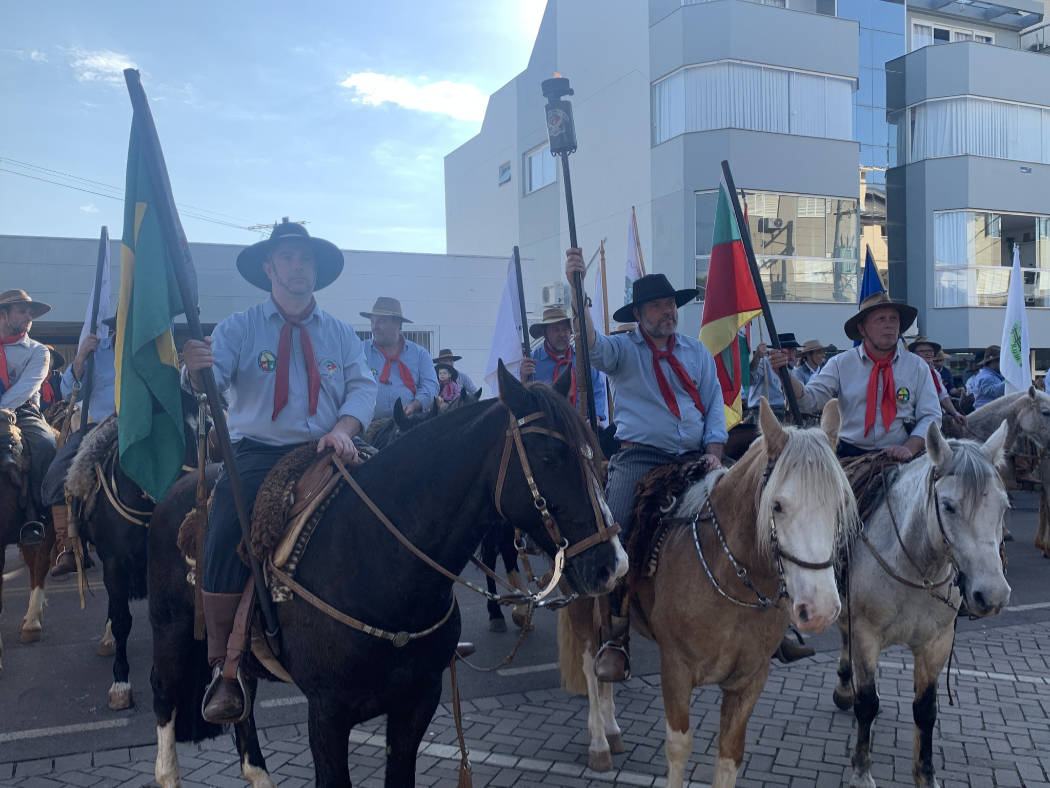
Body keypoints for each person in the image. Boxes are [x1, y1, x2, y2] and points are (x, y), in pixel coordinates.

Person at [182, 220, 377, 724]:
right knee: (226, 527)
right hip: (259, 453)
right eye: (288, 257)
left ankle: (410, 628)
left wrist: (344, 429)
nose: (298, 266)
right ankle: (225, 666)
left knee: (393, 505)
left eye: (305, 258)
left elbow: (362, 388)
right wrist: (197, 369)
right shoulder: (240, 326)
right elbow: (212, 378)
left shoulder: (340, 333)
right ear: (269, 268)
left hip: (330, 448)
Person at [565, 249, 726, 682]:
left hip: (697, 457)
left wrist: (714, 449)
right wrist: (578, 295)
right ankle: (616, 633)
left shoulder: (696, 352)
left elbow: (714, 405)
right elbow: (591, 346)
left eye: (670, 304)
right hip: (641, 457)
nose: (667, 311)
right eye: (657, 306)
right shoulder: (622, 350)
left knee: (749, 508)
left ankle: (760, 610)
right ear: (638, 314)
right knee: (614, 533)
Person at [771, 292, 940, 461]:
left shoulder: (917, 366)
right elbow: (808, 401)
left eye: (893, 319)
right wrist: (785, 375)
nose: (889, 325)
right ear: (862, 329)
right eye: (881, 319)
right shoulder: (840, 364)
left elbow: (930, 415)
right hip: (847, 455)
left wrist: (909, 448)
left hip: (902, 456)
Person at [43, 318, 117, 577]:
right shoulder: (97, 350)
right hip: (98, 425)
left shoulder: (149, 348)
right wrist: (81, 358)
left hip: (140, 424)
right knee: (56, 475)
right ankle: (71, 546)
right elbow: (70, 393)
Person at [0, 290, 57, 542]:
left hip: (22, 410)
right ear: (4, 314)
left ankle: (38, 516)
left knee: (46, 444)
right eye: (22, 311)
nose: (28, 317)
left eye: (31, 313)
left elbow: (26, 387)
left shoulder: (38, 351)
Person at [519, 306, 609, 426]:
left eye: (565, 329)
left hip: (580, 426)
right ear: (545, 333)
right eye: (556, 330)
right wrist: (523, 379)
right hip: (547, 428)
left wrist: (595, 417)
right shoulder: (532, 362)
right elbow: (524, 399)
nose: (562, 334)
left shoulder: (583, 359)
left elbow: (597, 388)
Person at [361, 297, 438, 420]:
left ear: (398, 324)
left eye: (382, 321)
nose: (375, 326)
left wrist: (414, 405)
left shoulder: (420, 354)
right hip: (366, 425)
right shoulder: (360, 352)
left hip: (408, 425)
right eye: (372, 321)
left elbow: (431, 385)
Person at [908, 338, 965, 428]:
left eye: (930, 351)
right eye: (923, 351)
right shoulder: (909, 372)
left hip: (932, 417)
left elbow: (943, 396)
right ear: (914, 354)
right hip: (912, 417)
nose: (928, 353)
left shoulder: (935, 374)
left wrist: (955, 413)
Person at [748, 334, 800, 421]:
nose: (794, 352)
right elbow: (750, 380)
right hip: (762, 412)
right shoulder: (764, 363)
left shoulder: (789, 369)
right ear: (782, 350)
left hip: (780, 412)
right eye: (792, 349)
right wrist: (757, 357)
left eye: (794, 349)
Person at [966, 345, 1006, 410]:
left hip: (990, 412)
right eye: (1000, 360)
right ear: (993, 361)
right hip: (987, 413)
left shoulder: (991, 375)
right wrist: (1009, 381)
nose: (1003, 363)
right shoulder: (986, 377)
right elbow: (994, 392)